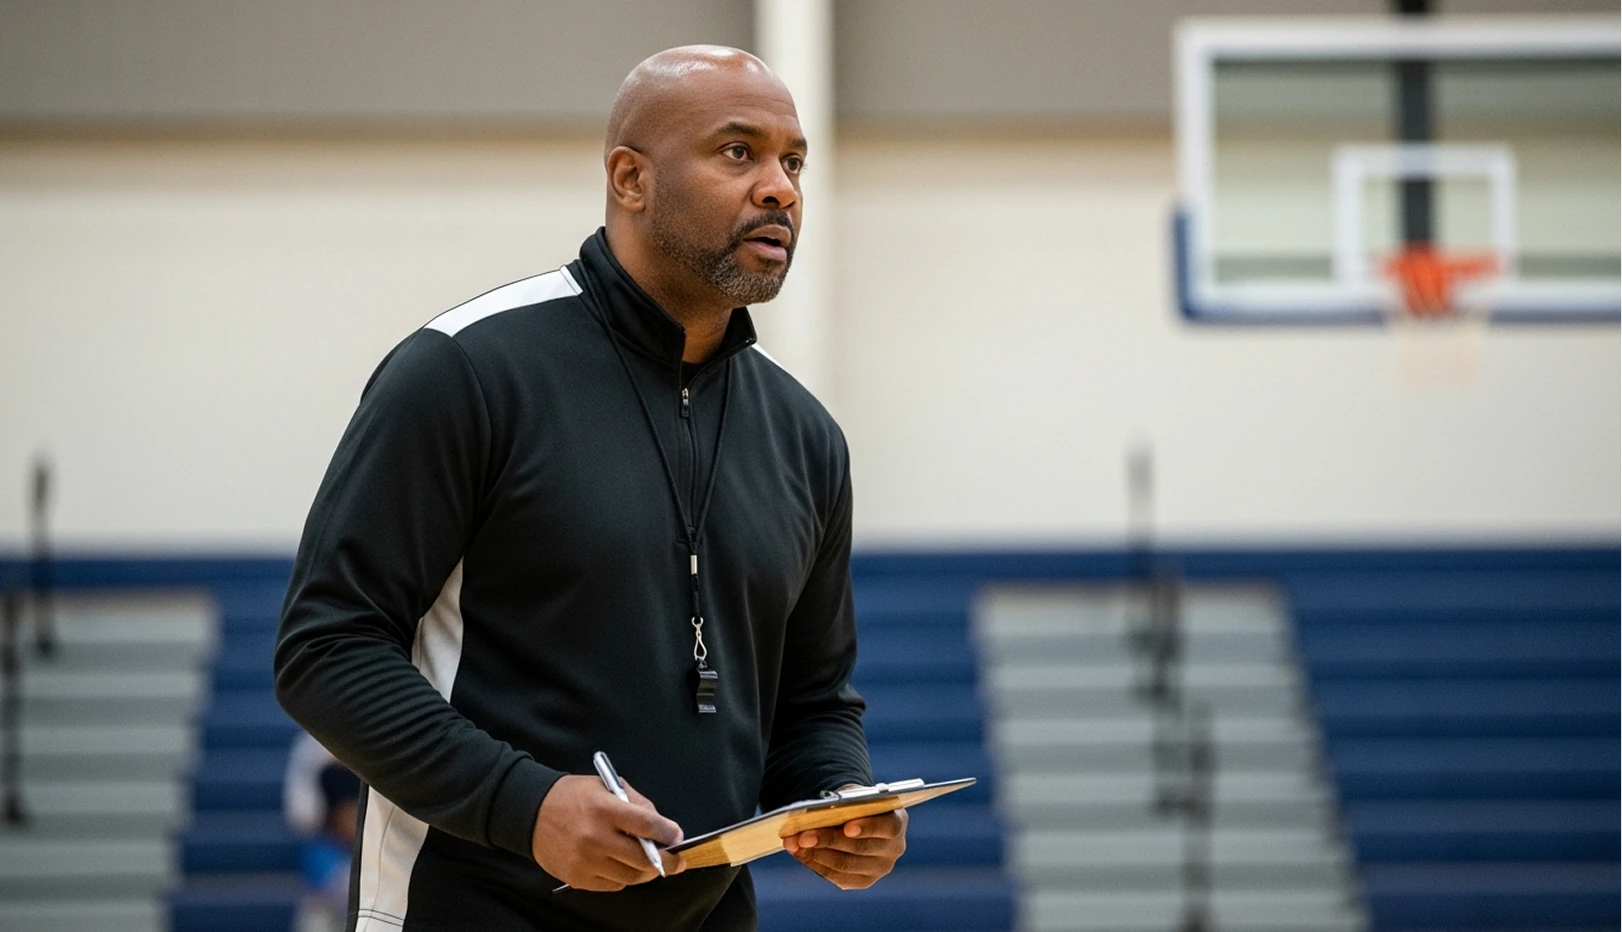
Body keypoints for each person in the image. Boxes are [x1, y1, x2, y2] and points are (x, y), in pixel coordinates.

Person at [274, 45, 906, 931]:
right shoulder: (466, 372)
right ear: (629, 178)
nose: (781, 189)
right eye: (739, 153)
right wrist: (522, 804)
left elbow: (814, 701)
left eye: (793, 161)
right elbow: (326, 647)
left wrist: (837, 798)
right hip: (465, 909)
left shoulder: (805, 438)